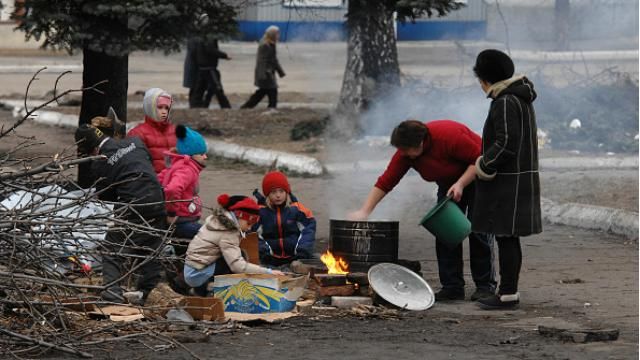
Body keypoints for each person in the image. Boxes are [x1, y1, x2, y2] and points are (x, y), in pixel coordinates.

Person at [349, 120, 496, 302]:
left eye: (406, 150)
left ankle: (485, 287)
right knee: (445, 232)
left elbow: (480, 160)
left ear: (420, 142)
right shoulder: (405, 154)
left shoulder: (449, 136)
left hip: (479, 180)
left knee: (479, 231)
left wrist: (461, 184)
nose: (403, 155)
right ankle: (452, 287)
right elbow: (386, 181)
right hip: (448, 184)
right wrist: (365, 211)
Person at [472, 49, 542, 310]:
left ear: (485, 79)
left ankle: (508, 293)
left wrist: (483, 164)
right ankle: (508, 291)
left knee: (505, 236)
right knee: (508, 237)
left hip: (508, 181)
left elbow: (506, 144)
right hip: (522, 178)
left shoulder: (503, 101)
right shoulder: (520, 98)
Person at [75, 123, 167, 305]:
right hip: (158, 200)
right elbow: (148, 165)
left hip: (134, 206)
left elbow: (108, 197)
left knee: (111, 248)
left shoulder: (101, 163)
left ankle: (112, 295)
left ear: (92, 150)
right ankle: (147, 293)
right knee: (150, 247)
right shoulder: (135, 142)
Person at [183, 194, 284, 296]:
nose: (249, 228)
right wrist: (268, 272)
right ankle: (219, 293)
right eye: (249, 223)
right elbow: (238, 266)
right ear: (239, 216)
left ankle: (201, 289)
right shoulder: (229, 232)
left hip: (191, 270)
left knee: (234, 255)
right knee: (236, 259)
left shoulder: (219, 220)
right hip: (196, 275)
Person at [252, 171, 316, 267]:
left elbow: (309, 229)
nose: (278, 195)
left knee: (319, 262)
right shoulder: (261, 212)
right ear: (267, 194)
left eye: (281, 191)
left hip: (296, 256)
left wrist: (302, 250)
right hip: (269, 258)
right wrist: (264, 252)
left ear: (286, 192)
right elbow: (254, 235)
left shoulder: (296, 209)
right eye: (274, 192)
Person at [158, 125, 207, 239]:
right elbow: (172, 189)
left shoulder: (177, 165)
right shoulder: (187, 169)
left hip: (183, 219)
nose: (205, 157)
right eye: (201, 154)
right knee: (209, 236)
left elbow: (157, 181)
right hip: (182, 221)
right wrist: (171, 213)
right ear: (190, 154)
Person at [127, 88, 177, 174]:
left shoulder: (175, 131)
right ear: (150, 107)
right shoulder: (138, 133)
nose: (164, 112)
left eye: (166, 108)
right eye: (160, 107)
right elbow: (135, 163)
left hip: (176, 180)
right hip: (151, 182)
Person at [240, 26, 285, 109]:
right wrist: (262, 75)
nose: (279, 36)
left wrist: (280, 72)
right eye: (277, 34)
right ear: (272, 35)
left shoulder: (271, 43)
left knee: (262, 92)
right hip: (265, 73)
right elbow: (261, 61)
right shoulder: (265, 45)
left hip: (269, 73)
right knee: (272, 90)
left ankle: (246, 107)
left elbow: (274, 60)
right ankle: (272, 108)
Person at [191, 38, 232, 109]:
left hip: (202, 67)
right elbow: (211, 50)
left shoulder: (201, 37)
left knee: (200, 88)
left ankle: (197, 105)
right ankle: (225, 106)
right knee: (217, 88)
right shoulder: (209, 37)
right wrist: (225, 55)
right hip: (209, 67)